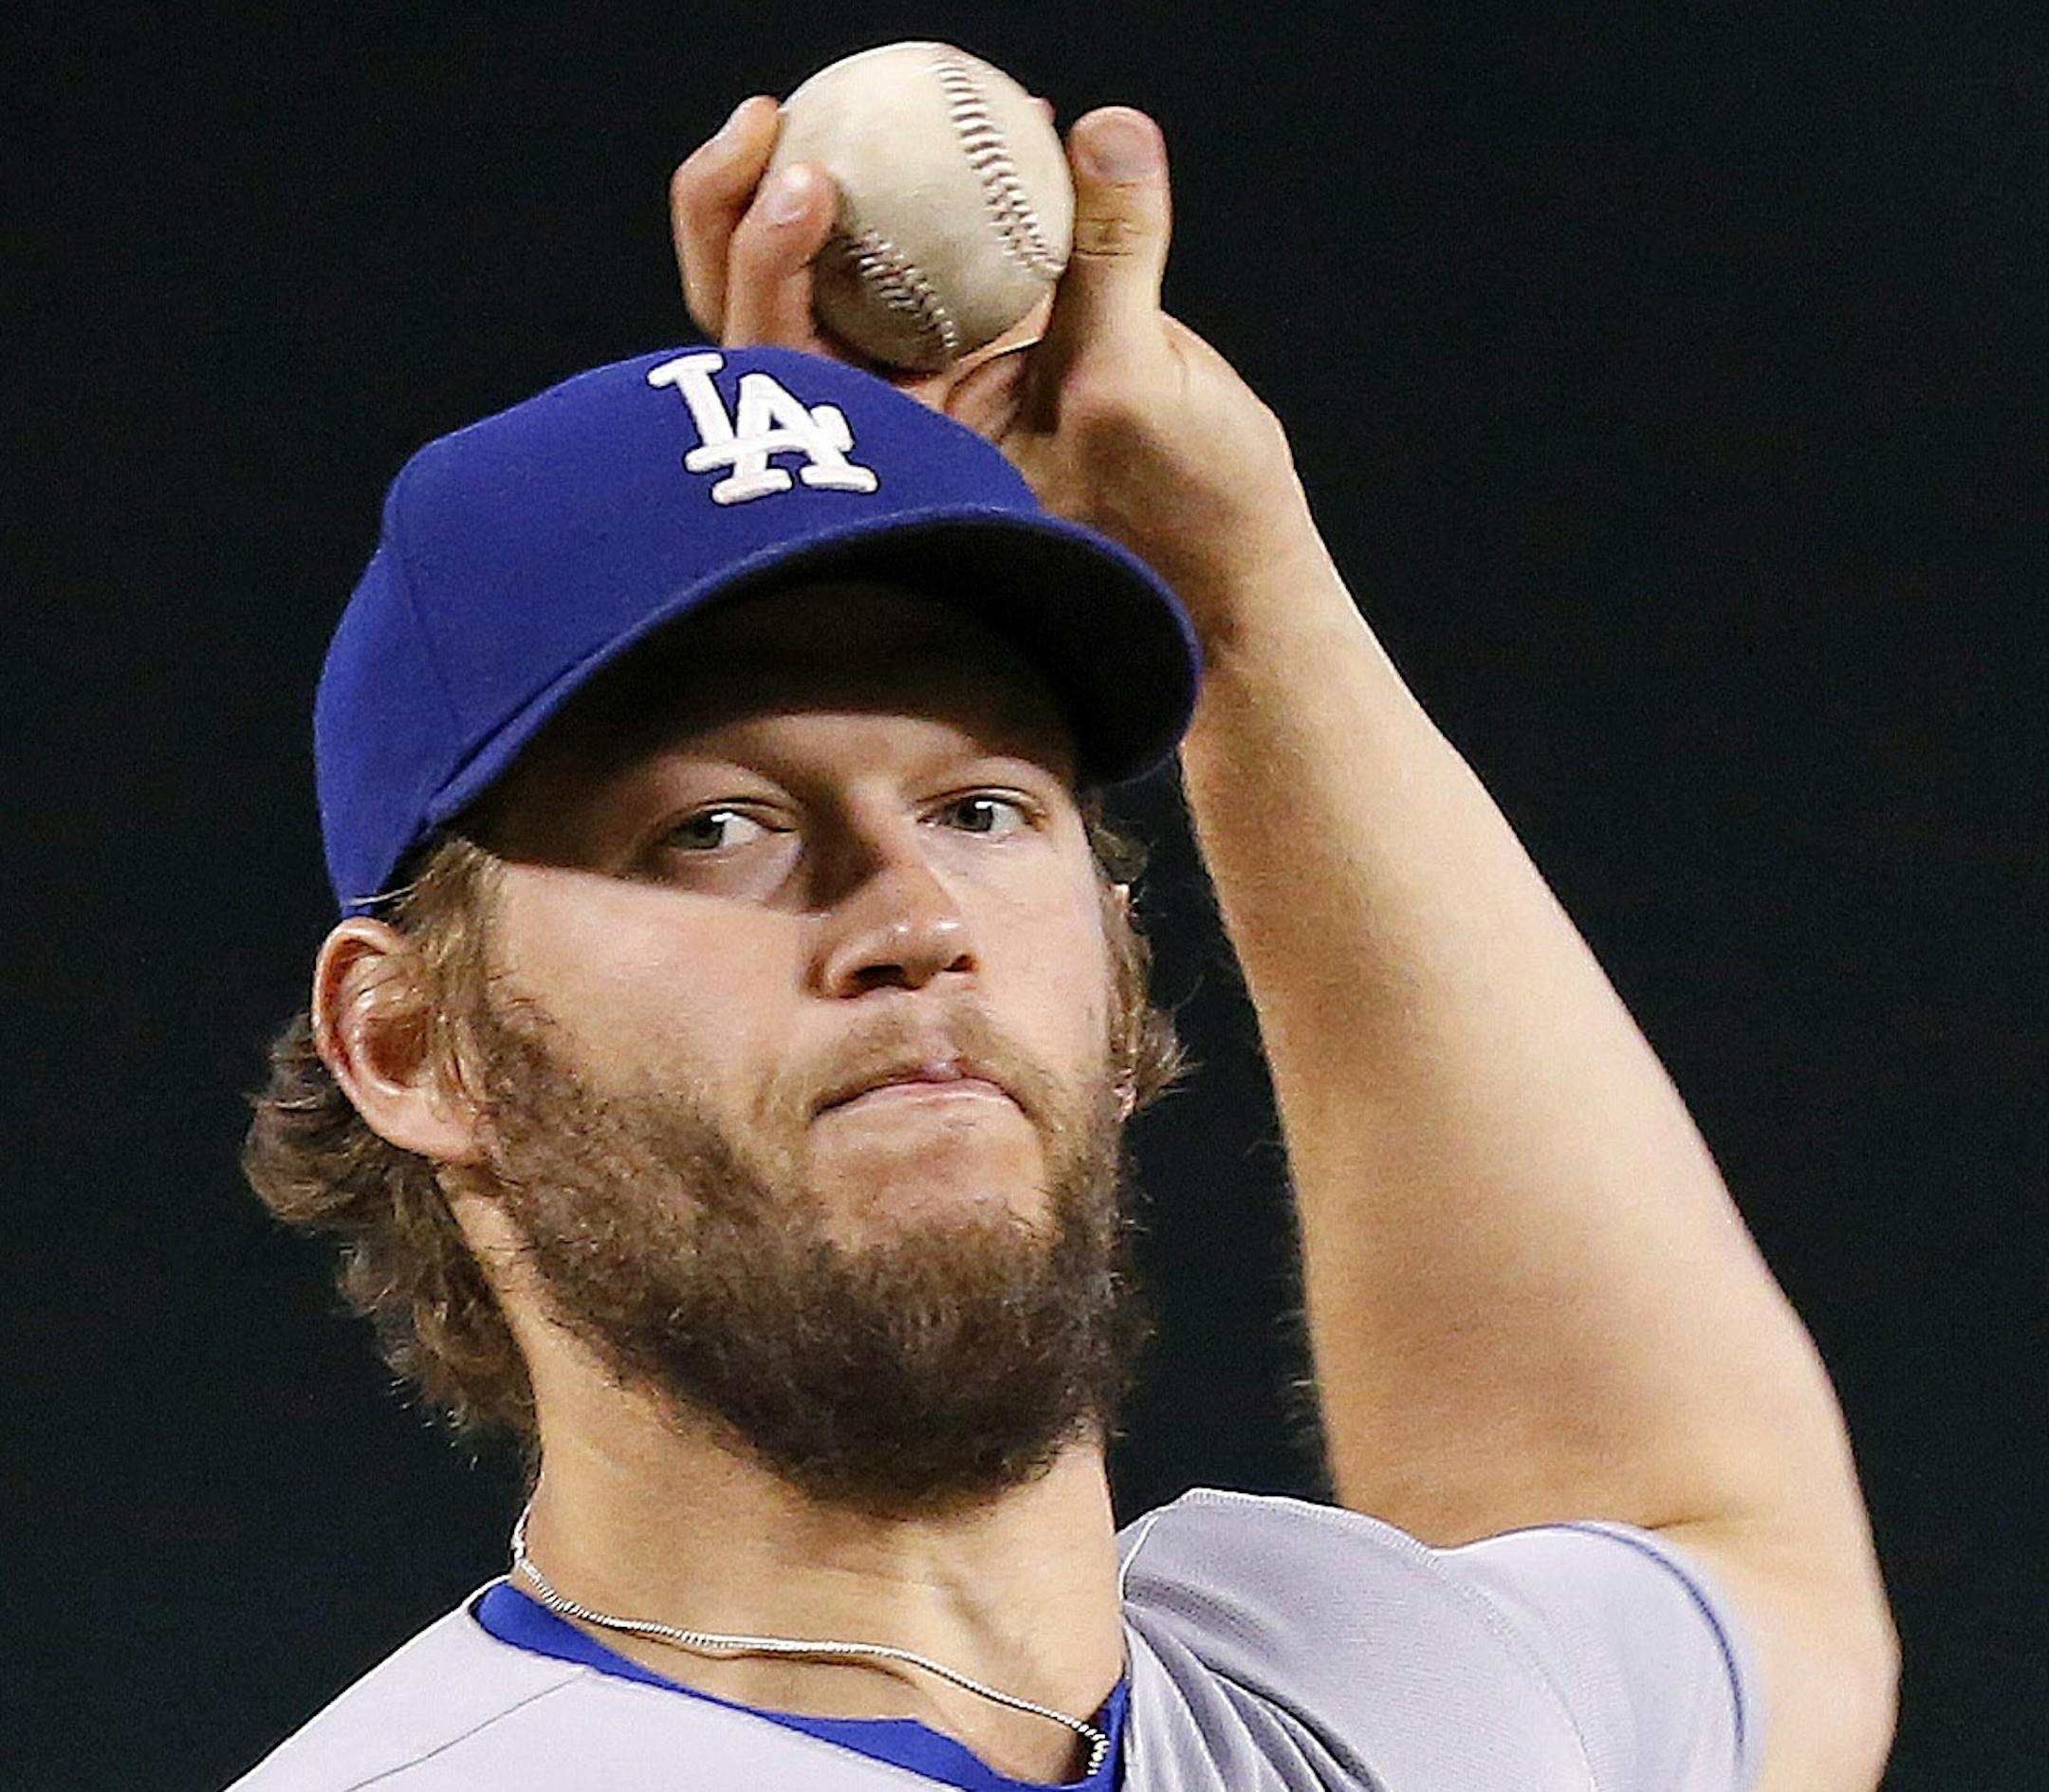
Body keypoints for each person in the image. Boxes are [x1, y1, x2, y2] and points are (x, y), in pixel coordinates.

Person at [231, 101, 1896, 1791]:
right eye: (717, 828)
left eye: (982, 807)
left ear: (1113, 954)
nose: (914, 919)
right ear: (410, 1045)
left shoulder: (1366, 1701)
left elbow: (1721, 1541)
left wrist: (1239, 595)